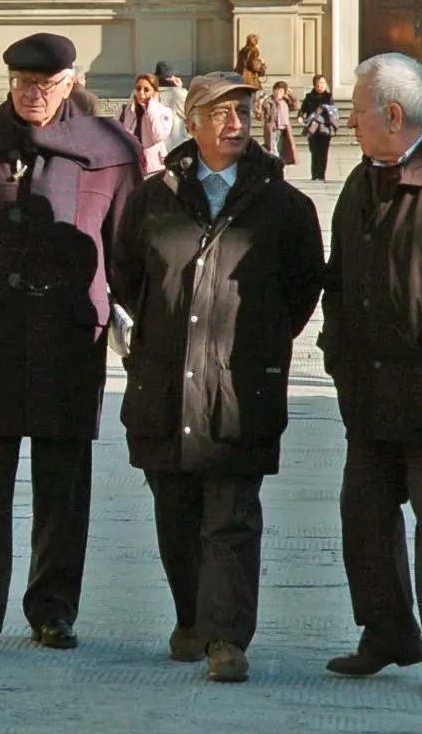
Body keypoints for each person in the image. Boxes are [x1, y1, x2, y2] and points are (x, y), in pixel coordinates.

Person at [0, 33, 141, 653]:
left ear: (70, 82)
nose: (32, 94)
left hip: (71, 339)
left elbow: (131, 251)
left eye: (46, 84)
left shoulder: (110, 148)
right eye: (22, 82)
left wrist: (151, 326)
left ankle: (53, 610)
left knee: (63, 482)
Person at [112, 71, 323, 683]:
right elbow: (127, 275)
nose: (235, 122)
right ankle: (192, 619)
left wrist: (257, 337)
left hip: (241, 387)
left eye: (244, 110)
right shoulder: (151, 199)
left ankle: (227, 638)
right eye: (220, 112)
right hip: (163, 382)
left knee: (231, 515)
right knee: (175, 512)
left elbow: (302, 286)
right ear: (192, 121)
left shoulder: (283, 205)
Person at [319, 52, 422, 700]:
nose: (347, 120)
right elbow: (338, 279)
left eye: (355, 110)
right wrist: (338, 356)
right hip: (371, 394)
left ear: (392, 113)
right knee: (363, 514)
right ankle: (386, 633)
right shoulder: (359, 181)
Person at [119, 74, 173, 175]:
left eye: (146, 90)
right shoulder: (124, 110)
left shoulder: (164, 111)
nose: (141, 93)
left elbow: (158, 136)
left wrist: (151, 110)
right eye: (138, 89)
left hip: (152, 167)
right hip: (128, 165)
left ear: (154, 92)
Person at [299, 75, 337, 182]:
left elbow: (332, 112)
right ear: (315, 84)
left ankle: (321, 175)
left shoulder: (329, 97)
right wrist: (300, 117)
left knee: (323, 151)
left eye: (323, 83)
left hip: (325, 127)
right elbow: (302, 109)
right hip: (312, 128)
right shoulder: (309, 97)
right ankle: (314, 175)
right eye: (319, 83)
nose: (321, 85)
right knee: (314, 151)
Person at [261, 80, 298, 165]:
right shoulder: (269, 102)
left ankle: (277, 167)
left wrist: (291, 94)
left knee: (279, 148)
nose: (278, 93)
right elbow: (260, 115)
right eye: (276, 90)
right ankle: (276, 167)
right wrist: (260, 102)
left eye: (281, 91)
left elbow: (296, 106)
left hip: (283, 130)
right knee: (273, 149)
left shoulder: (286, 101)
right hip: (272, 129)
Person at [153, 61, 188, 151]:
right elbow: (188, 112)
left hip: (152, 145)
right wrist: (180, 88)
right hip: (174, 144)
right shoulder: (177, 93)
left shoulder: (144, 90)